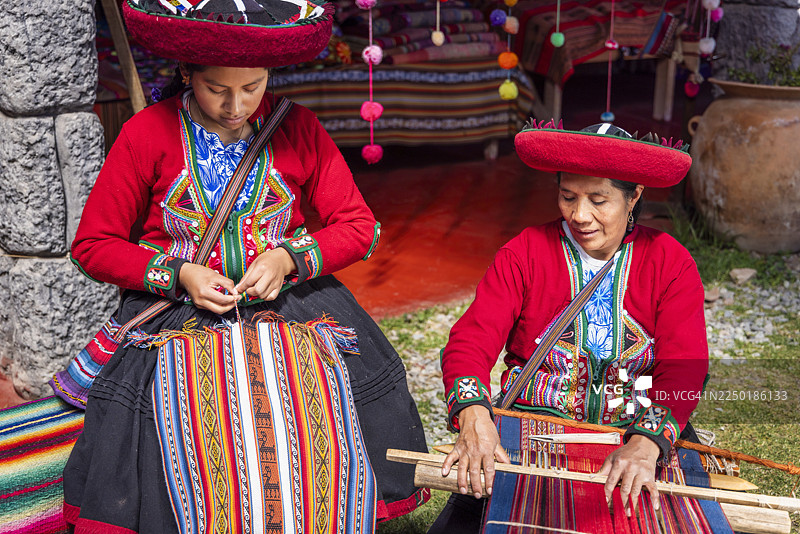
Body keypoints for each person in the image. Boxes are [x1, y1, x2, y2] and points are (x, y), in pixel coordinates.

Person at [52, 0, 428, 531]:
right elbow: (93, 244)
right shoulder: (146, 133)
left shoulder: (297, 127)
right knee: (183, 406)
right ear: (187, 73)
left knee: (311, 390)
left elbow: (358, 226)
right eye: (217, 89)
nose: (236, 106)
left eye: (252, 87)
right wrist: (180, 274)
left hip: (291, 302)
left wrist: (288, 257)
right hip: (177, 310)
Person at [429, 121, 708, 533]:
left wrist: (646, 443)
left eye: (599, 200)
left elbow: (685, 365)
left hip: (633, 426)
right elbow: (471, 340)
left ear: (634, 196)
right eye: (568, 196)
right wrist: (474, 416)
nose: (580, 215)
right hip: (534, 422)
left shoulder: (669, 261)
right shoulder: (525, 252)